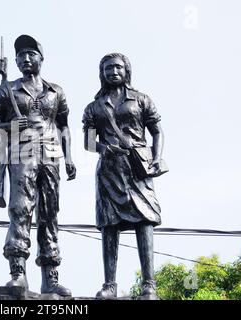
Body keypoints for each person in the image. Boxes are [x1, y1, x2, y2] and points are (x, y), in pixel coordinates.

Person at [0, 35, 76, 297]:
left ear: (41, 58)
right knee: (20, 210)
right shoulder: (7, 90)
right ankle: (18, 274)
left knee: (50, 214)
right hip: (21, 152)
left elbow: (64, 125)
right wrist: (9, 126)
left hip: (51, 153)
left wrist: (69, 157)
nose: (25, 58)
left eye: (30, 54)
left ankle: (50, 277)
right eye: (20, 55)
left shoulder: (56, 91)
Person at [82, 53, 165, 300]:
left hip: (137, 167)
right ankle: (110, 285)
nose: (113, 71)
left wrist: (157, 158)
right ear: (102, 73)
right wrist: (103, 148)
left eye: (118, 67)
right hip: (109, 170)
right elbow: (87, 141)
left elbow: (157, 130)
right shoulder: (94, 106)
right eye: (108, 68)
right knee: (109, 225)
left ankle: (149, 284)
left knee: (145, 220)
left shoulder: (141, 99)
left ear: (126, 70)